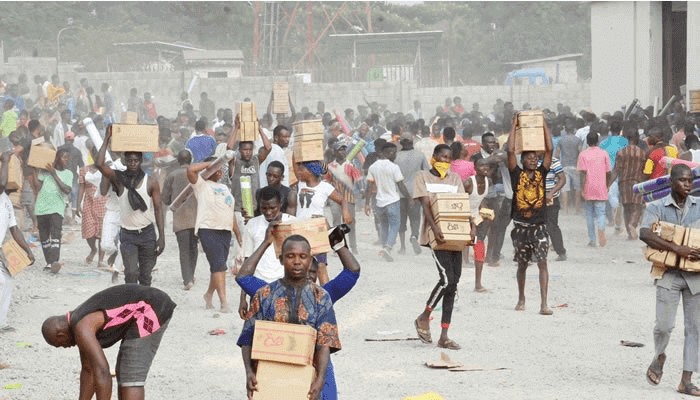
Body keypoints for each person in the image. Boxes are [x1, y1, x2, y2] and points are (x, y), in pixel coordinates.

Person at [237, 222, 360, 400]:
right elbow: (247, 336)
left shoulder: (322, 296)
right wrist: (249, 372)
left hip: (313, 371)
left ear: (310, 260)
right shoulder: (265, 294)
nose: (297, 262)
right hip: (272, 372)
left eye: (303, 257)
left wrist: (320, 379)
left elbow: (325, 342)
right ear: (281, 259)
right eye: (290, 256)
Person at [41, 284, 175, 400]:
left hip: (150, 308)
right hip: (146, 306)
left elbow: (102, 372)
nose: (65, 347)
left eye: (60, 344)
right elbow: (89, 371)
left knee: (130, 374)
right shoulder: (78, 323)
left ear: (60, 334)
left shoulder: (82, 327)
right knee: (124, 372)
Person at [640, 164, 700, 396]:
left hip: (695, 277)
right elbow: (644, 233)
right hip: (668, 274)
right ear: (671, 182)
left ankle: (687, 379)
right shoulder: (657, 207)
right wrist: (677, 248)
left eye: (690, 181)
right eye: (682, 181)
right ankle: (659, 356)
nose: (687, 185)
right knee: (664, 326)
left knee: (695, 329)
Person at [413, 144, 472, 350]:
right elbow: (425, 205)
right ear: (434, 157)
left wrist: (471, 228)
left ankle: (444, 334)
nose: (445, 161)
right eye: (442, 157)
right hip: (435, 235)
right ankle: (424, 316)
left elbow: (462, 205)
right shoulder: (422, 177)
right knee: (446, 279)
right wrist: (434, 227)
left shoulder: (455, 178)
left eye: (449, 158)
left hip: (456, 234)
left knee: (454, 283)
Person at [96, 125, 166, 286]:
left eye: (136, 160)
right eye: (130, 160)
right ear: (125, 161)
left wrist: (161, 236)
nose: (133, 163)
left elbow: (158, 209)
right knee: (130, 274)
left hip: (147, 233)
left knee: (145, 276)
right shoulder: (119, 180)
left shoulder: (151, 182)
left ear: (140, 161)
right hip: (128, 235)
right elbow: (100, 164)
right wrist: (107, 139)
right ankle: (132, 307)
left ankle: (143, 308)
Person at [506, 118, 554, 315]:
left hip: (539, 227)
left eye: (536, 158)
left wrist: (543, 124)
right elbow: (510, 151)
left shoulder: (542, 173)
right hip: (521, 228)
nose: (534, 161)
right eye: (529, 158)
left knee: (543, 263)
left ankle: (544, 303)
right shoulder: (516, 174)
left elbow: (549, 150)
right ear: (522, 160)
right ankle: (521, 298)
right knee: (522, 265)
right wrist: (514, 126)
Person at [188, 156, 242, 312]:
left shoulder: (225, 188)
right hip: (208, 230)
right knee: (219, 266)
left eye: (221, 168)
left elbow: (229, 210)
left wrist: (237, 232)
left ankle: (208, 294)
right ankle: (224, 303)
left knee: (218, 267)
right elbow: (190, 169)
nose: (220, 171)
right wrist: (210, 164)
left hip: (225, 231)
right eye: (217, 168)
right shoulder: (201, 185)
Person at [287, 160, 352, 285]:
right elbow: (295, 163)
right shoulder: (300, 184)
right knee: (302, 266)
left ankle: (325, 297)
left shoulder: (325, 187)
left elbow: (343, 200)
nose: (299, 172)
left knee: (321, 265)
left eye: (303, 169)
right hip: (301, 229)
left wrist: (346, 212)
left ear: (311, 171)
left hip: (317, 229)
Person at [238, 186, 296, 318]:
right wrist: (243, 299)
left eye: (272, 208)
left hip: (285, 285)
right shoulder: (252, 225)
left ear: (280, 204)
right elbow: (247, 262)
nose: (268, 212)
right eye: (264, 208)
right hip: (258, 286)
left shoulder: (292, 223)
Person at [0, 150, 35, 333]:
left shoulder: (5, 200)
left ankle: (1, 322)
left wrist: (27, 250)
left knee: (6, 281)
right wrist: (5, 160)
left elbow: (14, 229)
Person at [365, 143, 410, 262]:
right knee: (395, 225)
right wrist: (409, 197)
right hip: (393, 201)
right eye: (394, 152)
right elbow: (401, 185)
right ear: (388, 153)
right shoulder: (394, 167)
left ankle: (385, 247)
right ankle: (388, 248)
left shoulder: (373, 167)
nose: (395, 155)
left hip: (379, 202)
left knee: (384, 226)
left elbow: (369, 187)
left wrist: (366, 203)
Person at [161, 149, 199, 290]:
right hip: (196, 217)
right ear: (190, 160)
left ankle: (187, 280)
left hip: (180, 218)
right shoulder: (197, 174)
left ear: (178, 161)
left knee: (184, 249)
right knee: (193, 247)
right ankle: (191, 275)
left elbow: (165, 198)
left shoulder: (171, 175)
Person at [35, 147, 73, 273]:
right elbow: (37, 187)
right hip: (41, 208)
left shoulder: (68, 173)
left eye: (68, 157)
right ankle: (49, 263)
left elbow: (66, 189)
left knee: (55, 236)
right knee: (44, 238)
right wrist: (34, 170)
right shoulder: (45, 172)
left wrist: (53, 173)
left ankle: (54, 262)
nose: (67, 160)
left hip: (57, 208)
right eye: (64, 157)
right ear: (57, 158)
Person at [610, 128, 647, 240]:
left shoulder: (621, 152)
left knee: (626, 207)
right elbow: (646, 170)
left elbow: (616, 170)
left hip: (624, 182)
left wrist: (608, 184)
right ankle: (633, 225)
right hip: (639, 183)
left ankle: (629, 233)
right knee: (637, 206)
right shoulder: (643, 153)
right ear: (637, 139)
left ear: (627, 138)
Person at [395, 136, 429, 255]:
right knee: (415, 218)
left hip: (400, 192)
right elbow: (426, 172)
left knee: (401, 220)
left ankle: (403, 246)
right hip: (415, 191)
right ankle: (414, 235)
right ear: (412, 142)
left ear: (401, 144)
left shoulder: (396, 156)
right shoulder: (420, 155)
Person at [577, 131, 612, 247]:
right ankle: (601, 229)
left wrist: (582, 189)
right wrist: (607, 185)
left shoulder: (583, 155)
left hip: (588, 187)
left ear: (587, 142)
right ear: (598, 141)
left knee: (589, 215)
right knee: (601, 213)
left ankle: (592, 239)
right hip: (601, 187)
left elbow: (583, 174)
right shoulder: (604, 154)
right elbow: (608, 172)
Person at [326, 143, 361, 254]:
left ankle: (353, 246)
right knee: (336, 223)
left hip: (349, 198)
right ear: (335, 152)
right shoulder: (330, 166)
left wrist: (360, 192)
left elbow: (358, 181)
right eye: (340, 150)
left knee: (350, 222)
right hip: (335, 198)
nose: (342, 152)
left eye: (343, 150)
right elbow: (327, 181)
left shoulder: (351, 165)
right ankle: (338, 247)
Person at [464, 158, 491, 291]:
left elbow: (481, 201)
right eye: (481, 166)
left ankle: (478, 283)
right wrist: (472, 225)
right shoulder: (469, 183)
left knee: (480, 247)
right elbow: (460, 204)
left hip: (476, 217)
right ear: (475, 167)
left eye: (487, 165)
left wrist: (486, 213)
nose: (485, 168)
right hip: (463, 217)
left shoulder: (487, 181)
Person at [76, 158, 108, 266]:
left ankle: (101, 260)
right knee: (88, 230)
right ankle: (93, 249)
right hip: (88, 203)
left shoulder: (107, 170)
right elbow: (81, 188)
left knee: (102, 232)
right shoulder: (84, 170)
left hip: (103, 203)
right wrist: (77, 205)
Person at [555, 118, 583, 214]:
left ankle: (566, 210)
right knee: (577, 189)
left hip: (564, 166)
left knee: (564, 189)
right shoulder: (578, 140)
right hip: (576, 166)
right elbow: (581, 153)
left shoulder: (561, 140)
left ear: (565, 130)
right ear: (574, 129)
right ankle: (577, 209)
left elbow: (557, 155)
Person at [543, 155, 567, 261]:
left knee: (551, 225)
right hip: (534, 198)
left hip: (550, 198)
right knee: (536, 226)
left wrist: (552, 192)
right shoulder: (530, 159)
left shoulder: (553, 161)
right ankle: (537, 252)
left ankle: (560, 251)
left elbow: (562, 179)